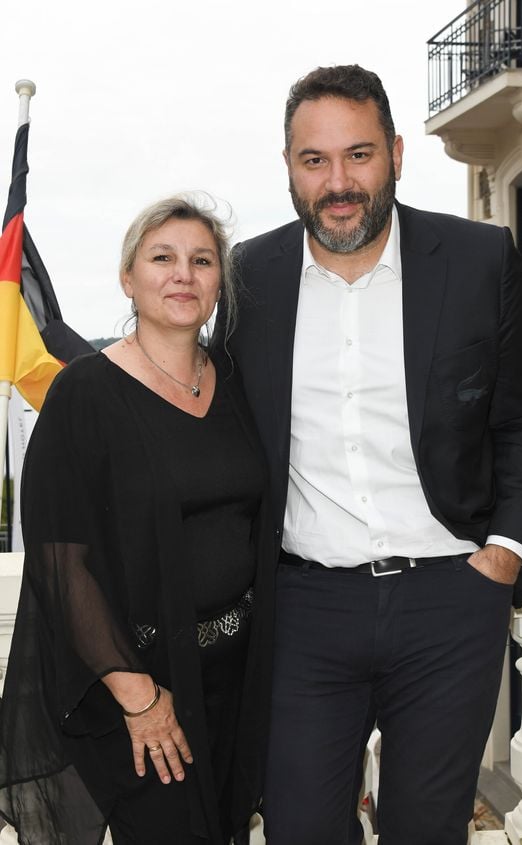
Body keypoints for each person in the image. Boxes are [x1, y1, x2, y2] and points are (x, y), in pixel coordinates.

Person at [220, 65, 522, 844]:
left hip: (449, 600)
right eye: (315, 160)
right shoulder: (248, 279)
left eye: (359, 155)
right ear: (290, 167)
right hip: (303, 610)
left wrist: (504, 552)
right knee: (301, 826)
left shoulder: (479, 259)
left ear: (397, 153)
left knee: (426, 829)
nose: (338, 182)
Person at [0, 193, 275, 845]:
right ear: (129, 277)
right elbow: (60, 561)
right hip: (145, 690)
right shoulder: (84, 393)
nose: (183, 273)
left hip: (238, 680)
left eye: (202, 260)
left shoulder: (236, 382)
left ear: (217, 284)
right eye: (163, 257)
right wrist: (140, 699)